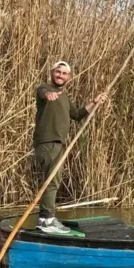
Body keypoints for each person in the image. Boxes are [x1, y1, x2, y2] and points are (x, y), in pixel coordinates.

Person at [33, 61, 108, 234]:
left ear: (69, 77)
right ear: (52, 73)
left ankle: (45, 219)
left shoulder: (65, 97)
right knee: (52, 182)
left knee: (53, 181)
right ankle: (47, 221)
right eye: (57, 72)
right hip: (48, 142)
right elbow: (43, 92)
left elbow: (77, 115)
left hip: (58, 144)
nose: (60, 75)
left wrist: (94, 102)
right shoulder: (45, 88)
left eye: (64, 73)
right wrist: (48, 95)